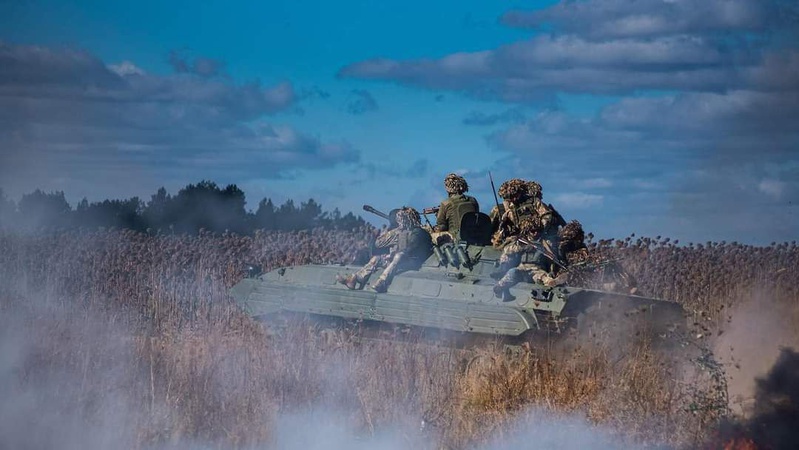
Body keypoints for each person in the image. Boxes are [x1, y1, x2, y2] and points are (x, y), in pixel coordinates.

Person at [337, 207, 431, 293]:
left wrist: (392, 255)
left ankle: (382, 282)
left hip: (413, 261)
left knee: (399, 256)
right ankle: (356, 278)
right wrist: (393, 230)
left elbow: (409, 248)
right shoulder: (402, 231)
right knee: (377, 258)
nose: (399, 221)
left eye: (402, 219)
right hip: (401, 260)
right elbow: (379, 244)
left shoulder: (418, 232)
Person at [493, 215, 567, 299]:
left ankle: (553, 282)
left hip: (537, 269)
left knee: (543, 277)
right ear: (528, 230)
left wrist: (552, 270)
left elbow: (551, 258)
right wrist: (523, 247)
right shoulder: (521, 241)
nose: (536, 233)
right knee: (512, 273)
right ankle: (499, 288)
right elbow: (507, 249)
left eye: (538, 231)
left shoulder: (546, 243)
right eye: (533, 231)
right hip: (522, 268)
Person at [433, 173, 479, 240]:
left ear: (448, 188)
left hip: (456, 238)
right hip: (475, 236)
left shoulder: (446, 203)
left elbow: (442, 226)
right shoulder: (473, 200)